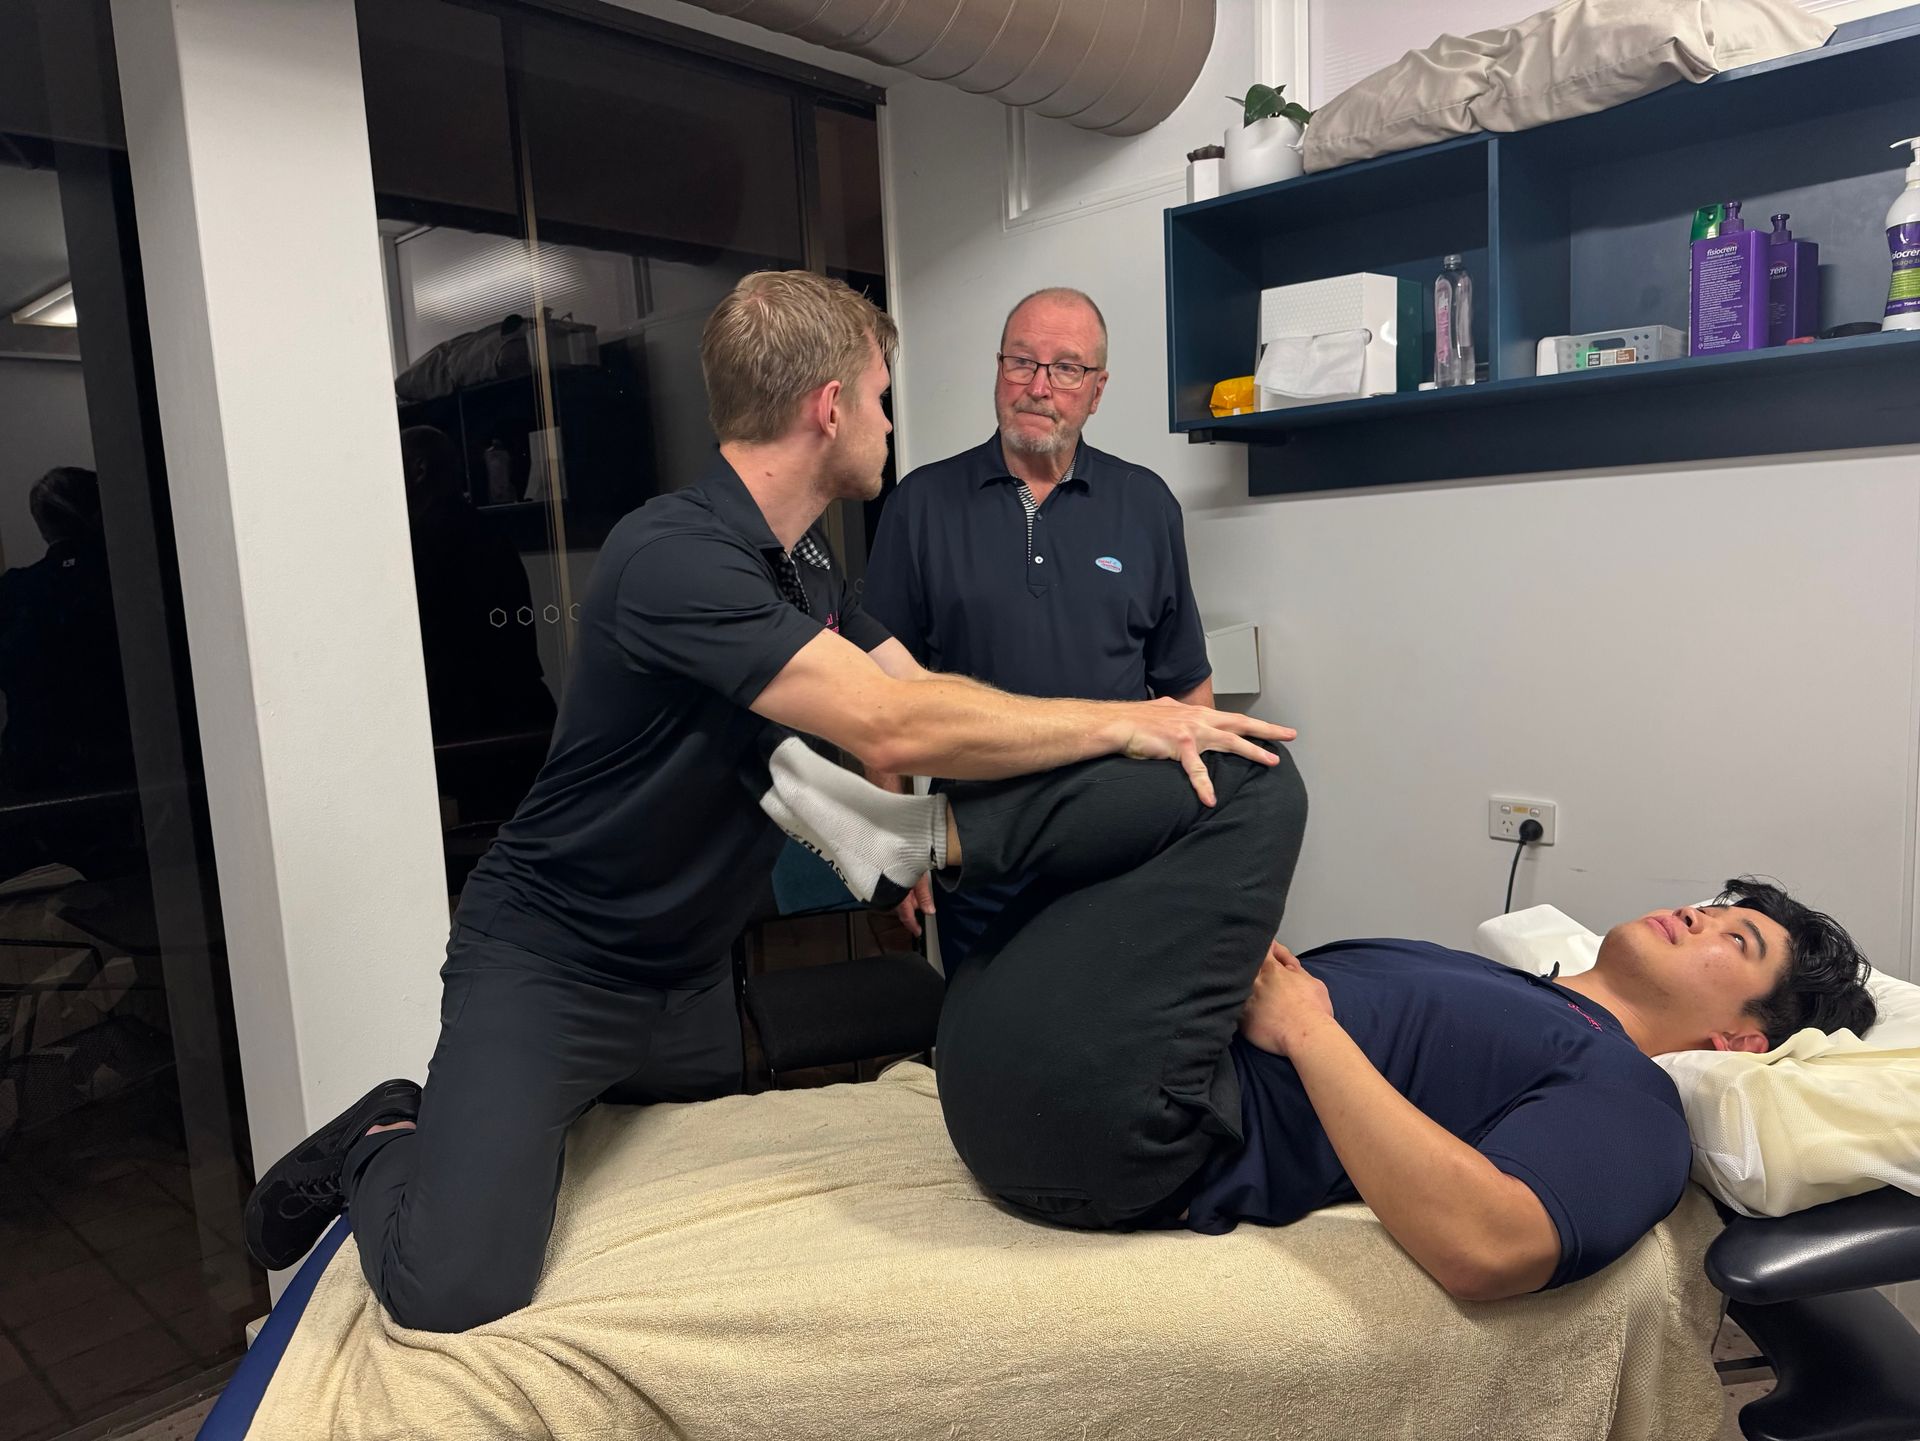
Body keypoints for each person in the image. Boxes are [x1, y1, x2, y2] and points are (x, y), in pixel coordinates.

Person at [242, 270, 1293, 1334]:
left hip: (680, 974)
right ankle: (382, 1137)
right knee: (458, 1286)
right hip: (555, 964)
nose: (890, 420)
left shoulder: (807, 568)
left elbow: (911, 693)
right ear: (829, 406)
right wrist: (1128, 722)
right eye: (881, 396)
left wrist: (1134, 729)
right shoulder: (674, 557)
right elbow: (889, 727)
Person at [762, 746, 1877, 1300]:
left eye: (1737, 941)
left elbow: (1493, 1245)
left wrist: (1308, 1030)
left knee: (1251, 780)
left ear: (1735, 1041)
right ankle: (917, 840)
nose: (1703, 914)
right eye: (1721, 904)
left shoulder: (1630, 1103)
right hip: (1036, 1074)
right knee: (1158, 750)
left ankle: (922, 840)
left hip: (1126, 1136)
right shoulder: (1526, 996)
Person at [860, 287, 1212, 973]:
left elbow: (1186, 688)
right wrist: (897, 846)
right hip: (978, 848)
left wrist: (1198, 834)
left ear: (1098, 389)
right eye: (1021, 361)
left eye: (1066, 368)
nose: (1038, 385)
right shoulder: (920, 506)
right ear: (998, 370)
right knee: (989, 1054)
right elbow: (878, 701)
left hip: (1120, 846)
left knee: (1117, 1043)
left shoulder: (1146, 506)